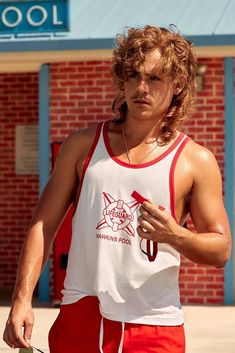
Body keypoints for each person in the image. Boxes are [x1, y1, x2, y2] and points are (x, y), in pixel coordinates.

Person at [3, 25, 231, 353]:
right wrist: (22, 299)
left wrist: (175, 236)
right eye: (133, 75)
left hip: (153, 324)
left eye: (155, 78)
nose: (141, 88)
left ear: (178, 83)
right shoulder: (81, 146)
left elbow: (221, 250)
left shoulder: (195, 161)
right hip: (81, 314)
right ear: (121, 80)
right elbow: (43, 224)